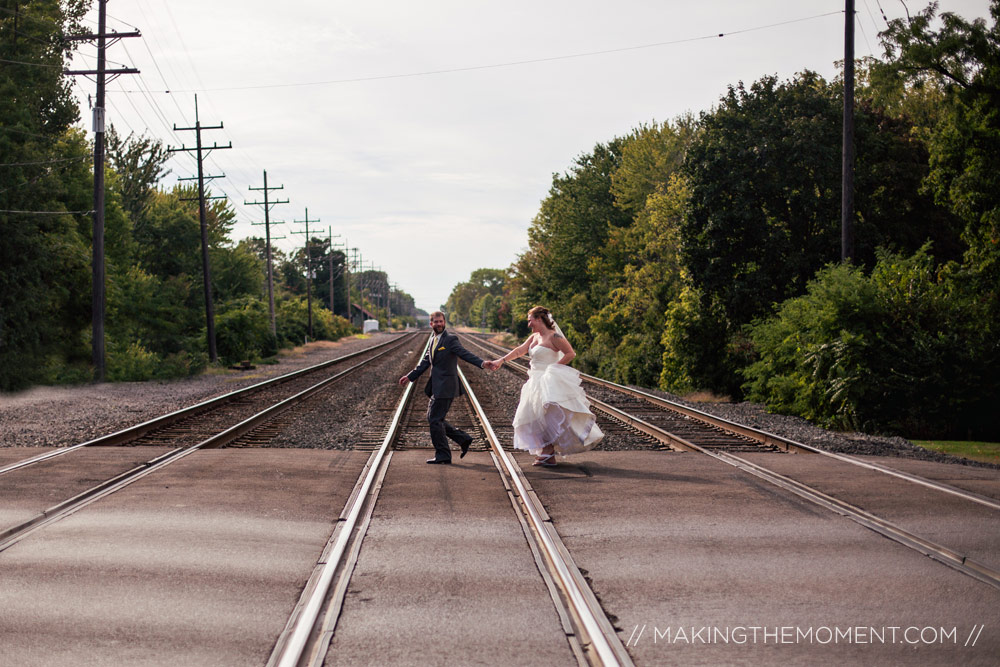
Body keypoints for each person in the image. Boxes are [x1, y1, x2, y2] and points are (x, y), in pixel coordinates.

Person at [485, 306, 603, 466]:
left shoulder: (554, 336)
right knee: (534, 415)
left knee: (547, 416)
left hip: (548, 381)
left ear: (539, 319)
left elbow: (570, 353)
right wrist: (501, 360)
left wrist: (554, 367)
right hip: (534, 380)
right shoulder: (534, 337)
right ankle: (547, 451)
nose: (528, 324)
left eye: (530, 320)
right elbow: (520, 350)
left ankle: (549, 452)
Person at [399, 311, 490, 464]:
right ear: (431, 324)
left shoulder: (450, 339)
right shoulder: (433, 339)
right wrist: (410, 376)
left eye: (441, 321)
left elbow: (464, 353)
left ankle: (444, 454)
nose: (439, 324)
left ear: (444, 322)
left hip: (446, 386)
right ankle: (462, 439)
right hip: (437, 386)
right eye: (436, 322)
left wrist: (482, 363)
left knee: (434, 419)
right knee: (434, 418)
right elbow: (426, 361)